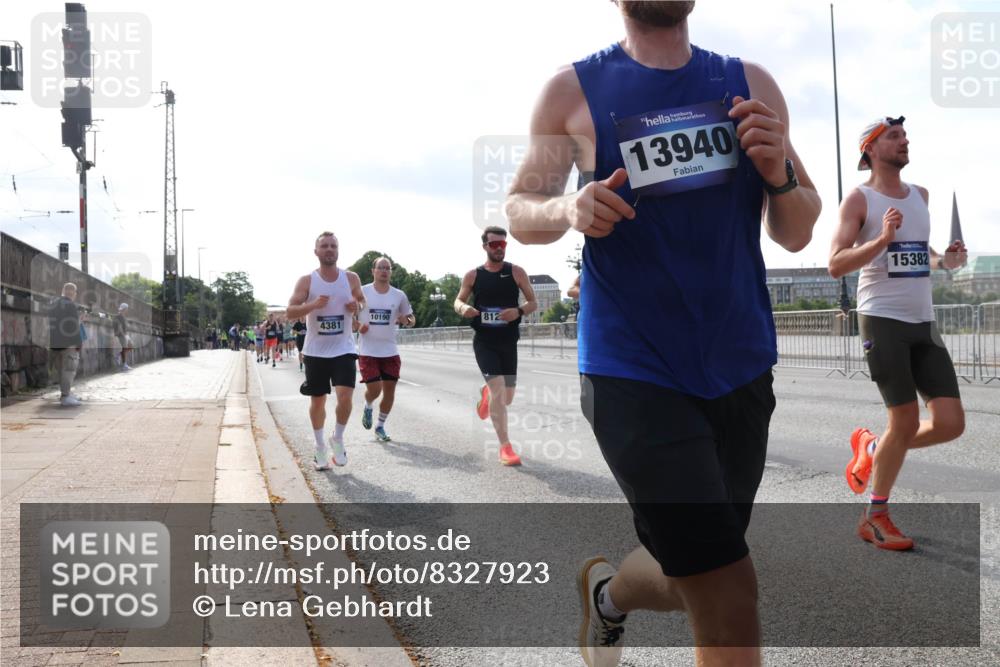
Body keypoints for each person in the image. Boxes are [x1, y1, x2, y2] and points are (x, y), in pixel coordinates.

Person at [505, 2, 821, 664]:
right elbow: (520, 210)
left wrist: (780, 174)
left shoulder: (751, 83)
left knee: (698, 571)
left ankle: (607, 599)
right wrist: (568, 205)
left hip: (740, 362)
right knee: (728, 584)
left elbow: (796, 229)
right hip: (632, 368)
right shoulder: (572, 89)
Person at [829, 116, 967, 551]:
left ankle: (873, 451)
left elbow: (922, 256)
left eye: (906, 135)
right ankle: (875, 517)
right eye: (894, 136)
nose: (904, 141)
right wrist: (881, 240)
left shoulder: (921, 196)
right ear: (870, 148)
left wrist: (948, 261)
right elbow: (835, 263)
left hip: (923, 322)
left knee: (950, 424)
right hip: (882, 319)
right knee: (904, 420)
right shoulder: (859, 199)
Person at [453, 226, 538, 466]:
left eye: (503, 244)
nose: (499, 248)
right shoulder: (473, 275)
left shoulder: (517, 272)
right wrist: (464, 309)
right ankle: (506, 447)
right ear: (485, 247)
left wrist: (518, 311)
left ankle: (487, 394)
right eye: (494, 245)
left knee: (507, 397)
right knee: (500, 391)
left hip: (508, 341)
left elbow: (533, 302)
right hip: (484, 342)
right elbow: (458, 300)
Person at [286, 231, 365, 471]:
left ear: (338, 251)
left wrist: (357, 306)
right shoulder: (307, 281)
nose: (329, 249)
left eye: (333, 246)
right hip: (316, 351)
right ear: (316, 252)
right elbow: (290, 311)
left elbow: (363, 303)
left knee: (345, 397)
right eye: (325, 246)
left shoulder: (350, 278)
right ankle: (320, 446)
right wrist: (313, 305)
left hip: (343, 348)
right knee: (318, 401)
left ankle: (337, 438)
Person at [357, 257, 415, 443]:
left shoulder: (399, 295)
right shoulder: (362, 292)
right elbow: (348, 314)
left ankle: (380, 426)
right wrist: (358, 325)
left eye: (387, 268)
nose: (384, 271)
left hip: (390, 350)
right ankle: (367, 405)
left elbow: (411, 318)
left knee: (389, 391)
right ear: (373, 271)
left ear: (391, 272)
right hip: (368, 350)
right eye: (380, 267)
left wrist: (407, 321)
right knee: (375, 389)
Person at [48, 282, 85, 407]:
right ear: (74, 293)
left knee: (61, 371)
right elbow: (73, 326)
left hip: (55, 343)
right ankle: (66, 396)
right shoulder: (71, 305)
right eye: (73, 292)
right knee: (69, 370)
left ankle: (66, 393)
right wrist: (79, 342)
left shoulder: (54, 304)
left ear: (63, 291)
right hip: (69, 344)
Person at [114, 302, 133, 371]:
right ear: (124, 309)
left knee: (130, 346)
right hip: (121, 334)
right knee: (124, 349)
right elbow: (119, 327)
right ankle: (124, 365)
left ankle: (118, 355)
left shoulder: (123, 316)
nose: (127, 310)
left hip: (125, 334)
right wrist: (123, 334)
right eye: (127, 309)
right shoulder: (118, 316)